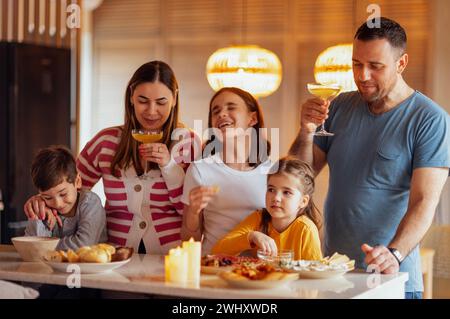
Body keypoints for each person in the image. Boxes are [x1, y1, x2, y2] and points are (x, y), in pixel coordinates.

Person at [289, 17, 450, 298]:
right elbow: (299, 177)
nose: (362, 76)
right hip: (335, 273)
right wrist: (305, 131)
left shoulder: (430, 120)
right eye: (356, 64)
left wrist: (394, 253)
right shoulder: (338, 107)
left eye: (375, 66)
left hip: (392, 279)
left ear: (401, 63)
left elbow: (425, 201)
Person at [24, 61, 199, 254]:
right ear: (131, 97)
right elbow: (68, 186)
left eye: (161, 102)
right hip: (114, 256)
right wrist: (42, 203)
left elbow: (192, 213)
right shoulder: (106, 142)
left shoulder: (188, 143)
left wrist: (169, 166)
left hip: (170, 257)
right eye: (142, 100)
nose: (151, 111)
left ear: (174, 98)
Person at [181, 87, 273, 255]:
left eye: (231, 107)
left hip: (258, 270)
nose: (222, 114)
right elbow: (188, 241)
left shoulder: (271, 172)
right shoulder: (200, 169)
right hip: (215, 266)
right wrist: (193, 212)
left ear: (252, 118)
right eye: (215, 111)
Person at [212, 156, 322, 261]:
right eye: (271, 189)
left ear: (303, 201)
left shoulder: (306, 229)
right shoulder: (258, 219)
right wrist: (252, 236)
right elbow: (216, 251)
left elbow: (315, 273)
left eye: (286, 192)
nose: (276, 198)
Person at [25, 145, 107, 250]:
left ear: (77, 182)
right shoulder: (44, 206)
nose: (57, 203)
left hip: (91, 265)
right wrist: (38, 213)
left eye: (63, 194)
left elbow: (84, 245)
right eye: (48, 197)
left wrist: (45, 245)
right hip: (54, 266)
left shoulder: (90, 203)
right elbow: (31, 245)